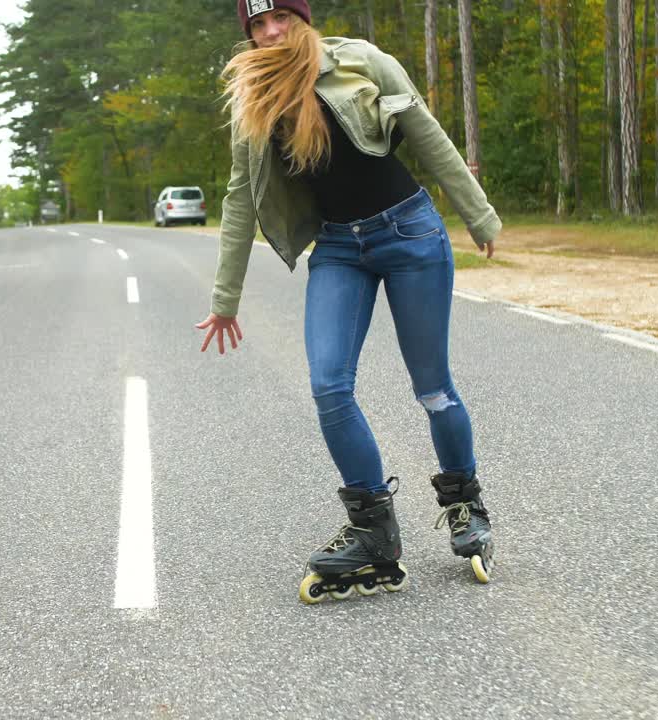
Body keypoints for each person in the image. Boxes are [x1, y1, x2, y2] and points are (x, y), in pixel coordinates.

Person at [195, 0, 500, 602]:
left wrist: (479, 215)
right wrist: (225, 299)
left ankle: (465, 503)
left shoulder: (360, 61)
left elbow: (427, 133)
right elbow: (238, 198)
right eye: (257, 25)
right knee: (329, 384)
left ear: (302, 18)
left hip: (410, 233)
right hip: (337, 248)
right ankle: (373, 530)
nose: (271, 31)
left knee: (432, 387)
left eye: (279, 17)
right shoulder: (252, 104)